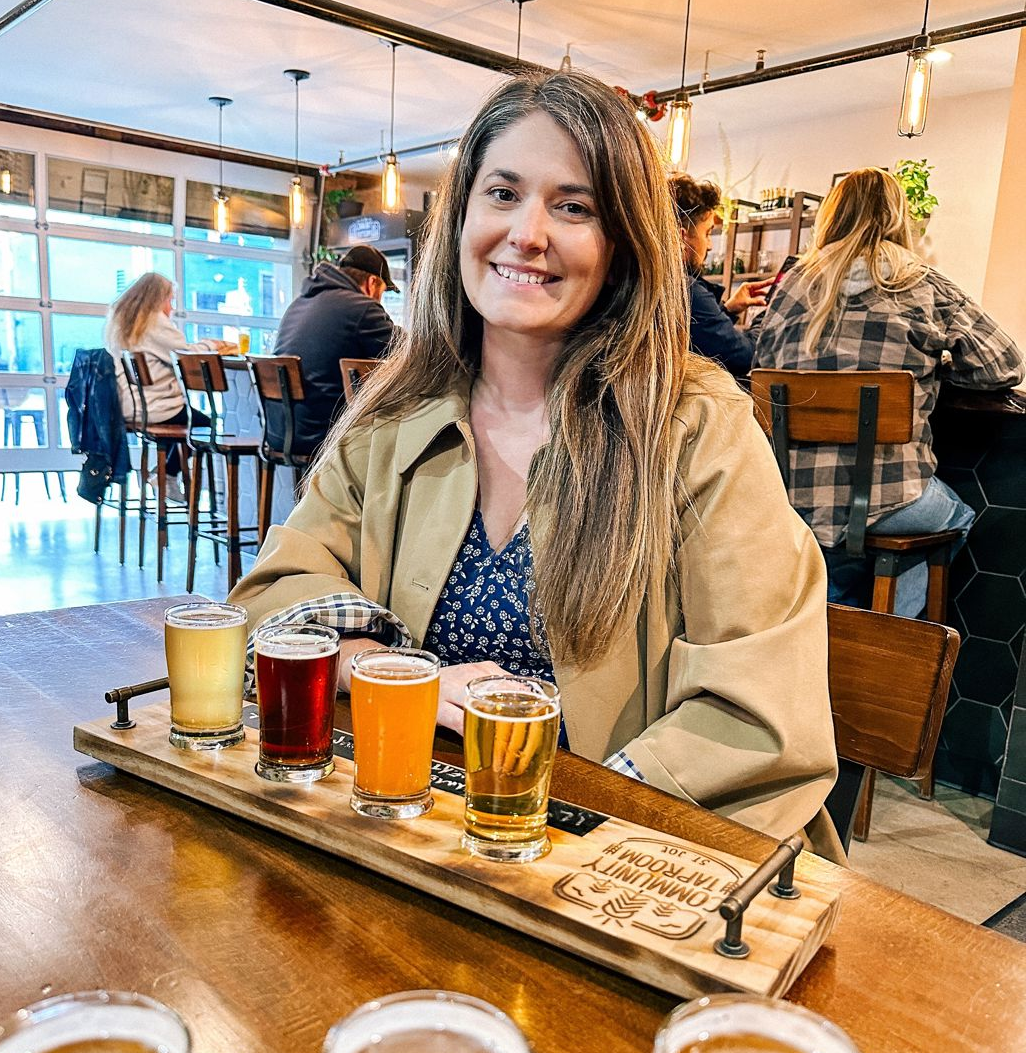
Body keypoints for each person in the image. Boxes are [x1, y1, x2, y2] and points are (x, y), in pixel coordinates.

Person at [229, 71, 842, 859]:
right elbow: (269, 600)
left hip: (631, 867)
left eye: (574, 206)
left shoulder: (695, 424)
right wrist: (395, 671)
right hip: (421, 839)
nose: (528, 233)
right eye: (504, 193)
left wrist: (565, 831)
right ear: (461, 218)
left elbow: (758, 717)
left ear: (622, 244)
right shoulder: (394, 412)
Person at [753, 167, 1024, 615]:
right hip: (890, 500)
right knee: (955, 518)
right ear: (899, 216)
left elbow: (762, 362)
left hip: (789, 497)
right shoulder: (924, 282)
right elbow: (1005, 364)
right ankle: (891, 643)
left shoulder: (793, 286)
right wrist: (935, 372)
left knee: (832, 565)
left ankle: (830, 625)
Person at [104, 272, 231, 503]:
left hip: (133, 405)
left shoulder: (123, 320)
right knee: (203, 425)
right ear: (157, 298)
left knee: (187, 423)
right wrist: (214, 344)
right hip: (158, 406)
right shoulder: (153, 322)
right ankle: (168, 474)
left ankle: (165, 474)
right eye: (169, 299)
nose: (170, 306)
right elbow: (186, 355)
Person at [269, 245, 397, 458]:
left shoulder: (299, 303)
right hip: (322, 434)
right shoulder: (361, 307)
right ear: (372, 282)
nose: (380, 300)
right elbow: (407, 353)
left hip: (279, 432)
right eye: (383, 291)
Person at [667, 174, 772, 379]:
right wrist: (767, 319)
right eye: (707, 233)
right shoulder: (686, 291)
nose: (710, 245)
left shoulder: (640, 281)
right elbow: (743, 357)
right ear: (681, 236)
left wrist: (728, 310)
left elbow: (700, 338)